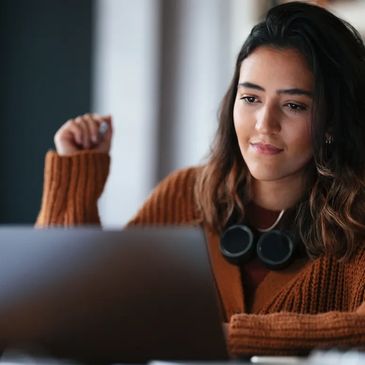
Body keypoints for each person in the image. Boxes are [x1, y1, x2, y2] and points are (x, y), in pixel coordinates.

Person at [37, 1, 365, 357]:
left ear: (333, 122)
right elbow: (67, 310)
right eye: (251, 98)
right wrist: (75, 177)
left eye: (293, 105)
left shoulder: (358, 218)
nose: (263, 125)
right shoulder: (185, 195)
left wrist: (219, 337)